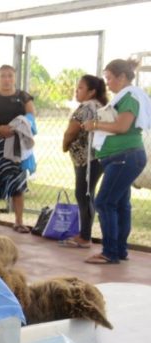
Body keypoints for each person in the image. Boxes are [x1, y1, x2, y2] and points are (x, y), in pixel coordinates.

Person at [82, 58, 150, 264]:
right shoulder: (126, 96)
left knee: (104, 202)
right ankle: (119, 250)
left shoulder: (129, 96)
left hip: (125, 156)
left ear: (122, 77)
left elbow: (122, 126)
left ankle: (110, 251)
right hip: (120, 157)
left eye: (109, 78)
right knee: (120, 203)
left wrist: (94, 124)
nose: (108, 83)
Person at [0, 64, 36, 234]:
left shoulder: (24, 97)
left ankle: (18, 222)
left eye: (10, 75)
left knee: (17, 183)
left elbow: (31, 117)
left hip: (17, 144)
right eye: (3, 75)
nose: (6, 79)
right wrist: (0, 129)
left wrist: (15, 129)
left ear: (15, 78)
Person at [60, 75, 108, 248]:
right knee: (87, 194)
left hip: (88, 160)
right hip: (96, 157)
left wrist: (65, 145)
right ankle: (85, 233)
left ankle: (85, 237)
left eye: (80, 88)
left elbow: (71, 132)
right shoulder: (100, 106)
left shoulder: (86, 107)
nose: (76, 91)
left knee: (83, 194)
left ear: (91, 91)